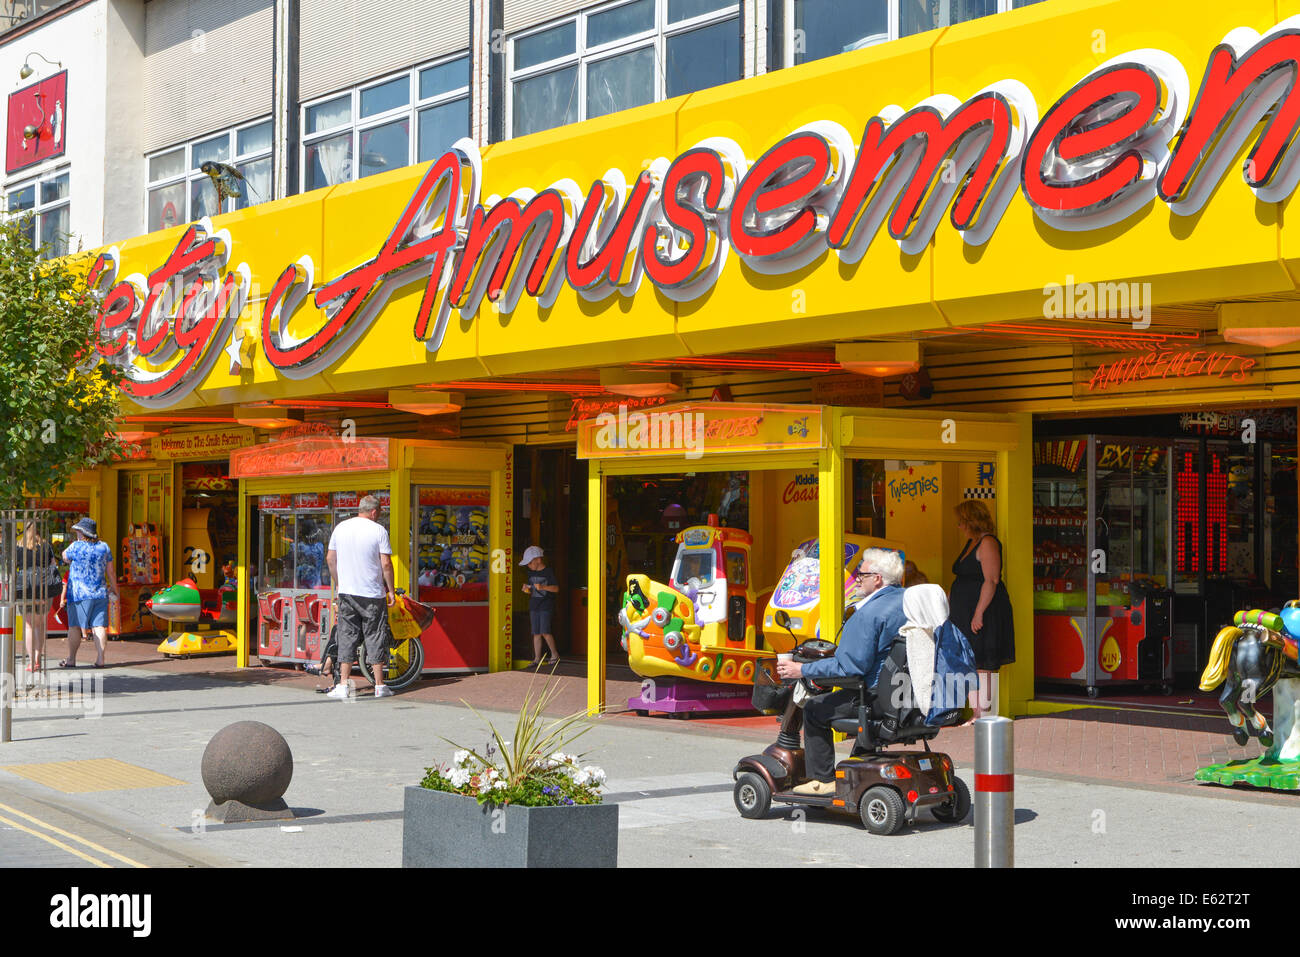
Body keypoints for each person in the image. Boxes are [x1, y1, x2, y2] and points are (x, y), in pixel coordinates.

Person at [776, 548, 908, 796]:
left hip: (877, 698)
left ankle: (822, 781)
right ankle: (859, 762)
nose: (856, 579)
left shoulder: (869, 613)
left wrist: (801, 669)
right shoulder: (909, 603)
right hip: (909, 699)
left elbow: (850, 667)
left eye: (861, 574)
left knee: (815, 709)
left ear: (877, 578)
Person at [948, 499, 1015, 719]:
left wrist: (978, 613)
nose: (959, 527)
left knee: (983, 663)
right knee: (969, 662)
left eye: (961, 522)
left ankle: (983, 714)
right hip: (964, 611)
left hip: (983, 610)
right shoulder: (971, 543)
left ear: (971, 521)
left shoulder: (987, 543)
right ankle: (975, 713)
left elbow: (991, 580)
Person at [325, 494, 396, 699]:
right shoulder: (379, 530)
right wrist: (390, 590)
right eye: (379, 513)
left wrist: (339, 582)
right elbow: (386, 564)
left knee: (347, 635)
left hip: (347, 592)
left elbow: (331, 559)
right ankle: (380, 686)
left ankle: (343, 685)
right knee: (375, 635)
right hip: (372, 594)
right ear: (374, 512)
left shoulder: (341, 527)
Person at [898, 583, 978, 725]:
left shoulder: (910, 636)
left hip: (915, 715)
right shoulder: (954, 634)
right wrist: (978, 711)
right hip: (950, 711)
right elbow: (969, 670)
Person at [59, 518, 118, 669]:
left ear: (83, 532)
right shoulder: (104, 547)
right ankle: (100, 658)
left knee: (74, 626)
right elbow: (111, 572)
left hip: (78, 594)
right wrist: (115, 589)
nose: (76, 533)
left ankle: (71, 659)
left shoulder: (75, 547)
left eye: (78, 531)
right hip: (99, 593)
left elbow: (64, 556)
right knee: (99, 626)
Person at [17, 524, 59, 683]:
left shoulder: (18, 546)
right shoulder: (46, 546)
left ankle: (30, 660)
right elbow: (53, 566)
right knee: (40, 624)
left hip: (24, 586)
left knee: (28, 625)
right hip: (43, 586)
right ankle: (37, 658)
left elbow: (13, 567)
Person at [520, 546, 559, 666]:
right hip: (534, 605)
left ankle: (555, 655)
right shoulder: (530, 572)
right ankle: (537, 659)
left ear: (538, 560)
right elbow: (532, 590)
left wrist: (543, 587)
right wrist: (526, 589)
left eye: (530, 563)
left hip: (546, 605)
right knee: (536, 633)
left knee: (545, 631)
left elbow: (556, 588)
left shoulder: (548, 572)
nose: (528, 565)